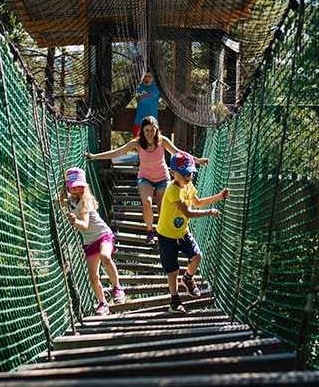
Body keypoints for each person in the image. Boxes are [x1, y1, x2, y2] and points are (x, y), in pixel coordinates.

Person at [86, 116, 208, 245]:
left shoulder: (163, 142)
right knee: (147, 202)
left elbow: (180, 154)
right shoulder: (137, 143)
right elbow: (117, 152)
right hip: (145, 177)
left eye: (152, 130)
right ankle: (150, 231)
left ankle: (162, 232)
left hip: (162, 177)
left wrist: (198, 160)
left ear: (157, 130)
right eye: (147, 130)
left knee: (162, 207)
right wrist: (95, 157)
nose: (150, 133)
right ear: (142, 131)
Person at [156, 151, 229, 314]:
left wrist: (219, 197)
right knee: (172, 270)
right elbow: (188, 213)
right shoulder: (173, 190)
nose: (188, 177)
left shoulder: (189, 186)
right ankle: (174, 300)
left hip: (182, 233)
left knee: (197, 256)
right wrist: (209, 212)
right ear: (172, 173)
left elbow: (197, 203)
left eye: (190, 173)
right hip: (166, 235)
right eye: (184, 174)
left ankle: (187, 278)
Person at [61, 167, 125, 315]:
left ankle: (117, 287)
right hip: (90, 242)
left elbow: (84, 226)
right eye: (73, 188)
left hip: (103, 235)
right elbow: (62, 201)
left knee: (105, 256)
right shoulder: (71, 200)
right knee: (93, 275)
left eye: (79, 187)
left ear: (84, 187)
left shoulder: (85, 202)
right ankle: (103, 303)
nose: (76, 190)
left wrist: (75, 221)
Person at [133, 70, 159, 137]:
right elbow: (124, 98)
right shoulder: (137, 88)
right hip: (139, 121)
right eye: (145, 76)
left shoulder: (157, 88)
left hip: (153, 122)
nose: (147, 79)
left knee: (154, 144)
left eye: (149, 76)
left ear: (152, 77)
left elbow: (169, 98)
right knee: (137, 144)